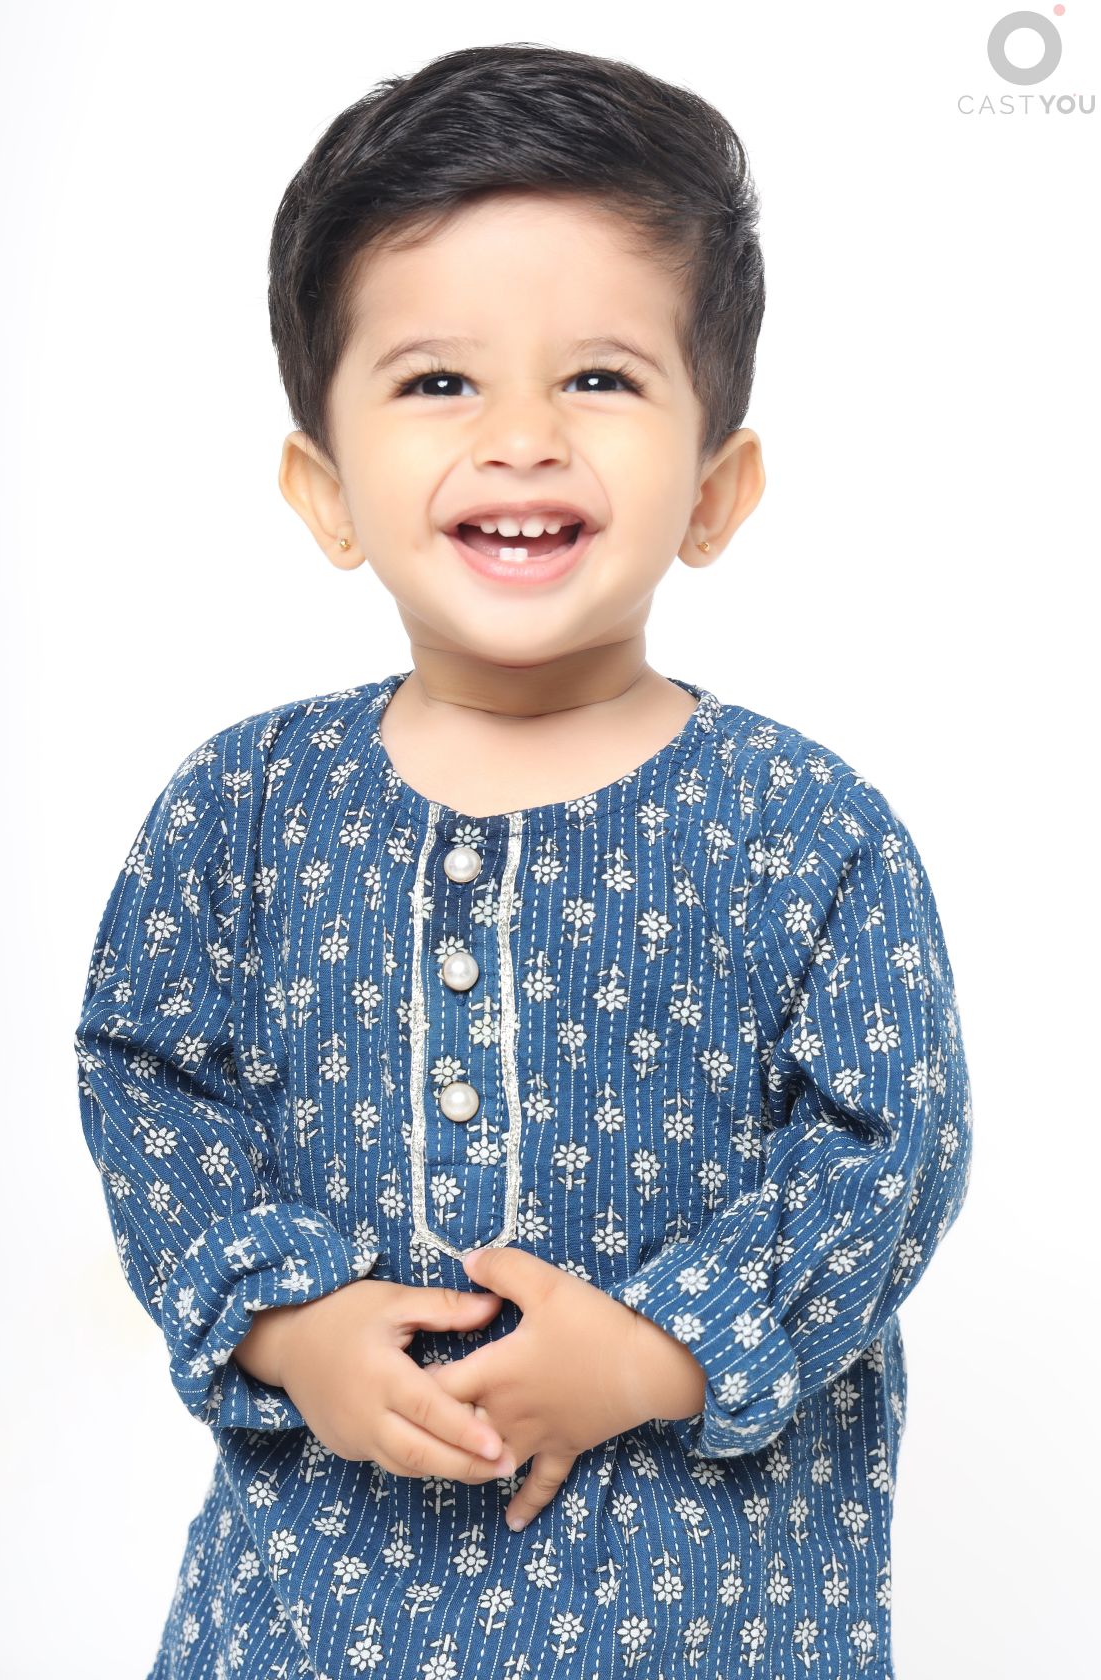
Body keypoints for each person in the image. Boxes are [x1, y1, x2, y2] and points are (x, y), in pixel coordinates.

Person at [74, 40, 973, 1680]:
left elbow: (891, 1144)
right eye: (439, 383)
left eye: (600, 380)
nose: (522, 440)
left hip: (700, 1607)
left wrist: (657, 1351)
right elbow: (148, 1079)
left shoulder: (800, 827)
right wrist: (285, 1326)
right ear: (324, 490)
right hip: (316, 1606)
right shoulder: (245, 810)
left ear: (715, 490)